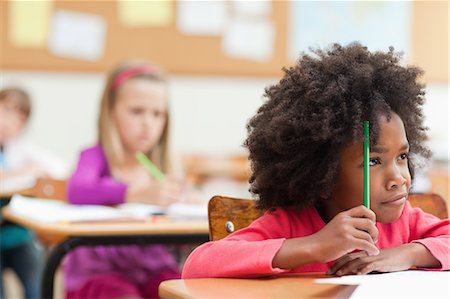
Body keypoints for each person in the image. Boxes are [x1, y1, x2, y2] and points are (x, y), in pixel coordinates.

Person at [182, 43, 450, 278]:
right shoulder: (289, 224)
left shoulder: (405, 221)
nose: (399, 178)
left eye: (402, 157)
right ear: (323, 176)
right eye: (373, 162)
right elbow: (196, 266)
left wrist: (406, 254)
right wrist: (313, 246)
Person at [65, 61, 184, 299]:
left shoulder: (162, 166)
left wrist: (184, 204)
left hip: (153, 268)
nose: (148, 123)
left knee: (182, 290)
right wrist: (135, 193)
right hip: (98, 272)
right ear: (110, 112)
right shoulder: (94, 156)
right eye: (137, 111)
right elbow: (78, 189)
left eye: (157, 114)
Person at [0, 87, 66, 298]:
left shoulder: (19, 150)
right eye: (6, 110)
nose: (9, 122)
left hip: (18, 237)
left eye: (19, 120)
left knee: (37, 284)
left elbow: (58, 167)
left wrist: (28, 171)